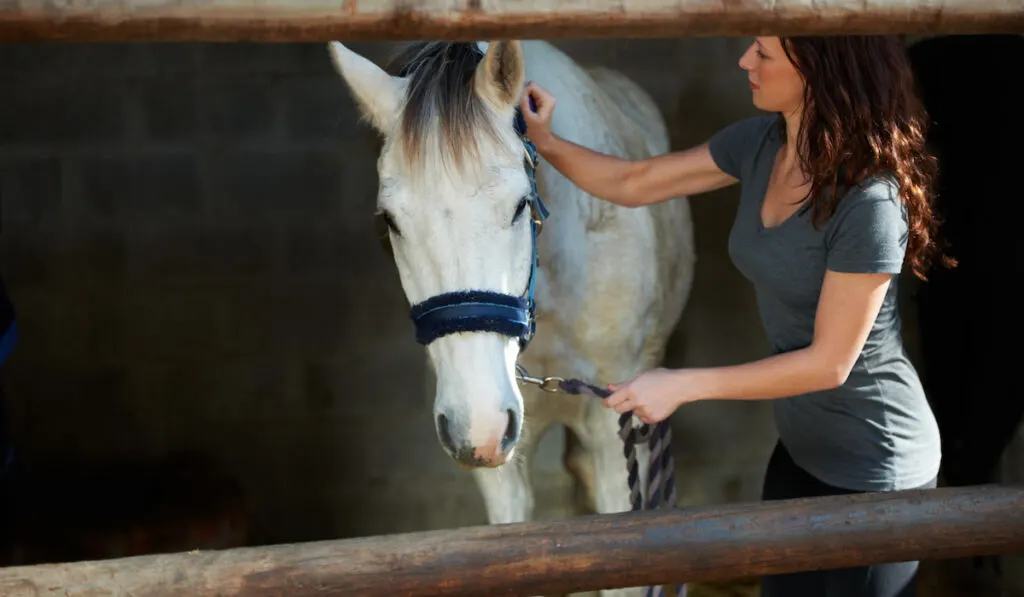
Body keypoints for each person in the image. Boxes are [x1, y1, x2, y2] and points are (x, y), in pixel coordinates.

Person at [518, 35, 953, 597]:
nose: (745, 61)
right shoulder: (761, 143)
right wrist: (546, 141)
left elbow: (829, 365)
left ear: (819, 69)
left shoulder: (870, 201)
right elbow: (634, 182)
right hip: (800, 450)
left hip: (878, 465)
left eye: (765, 54)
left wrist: (682, 385)